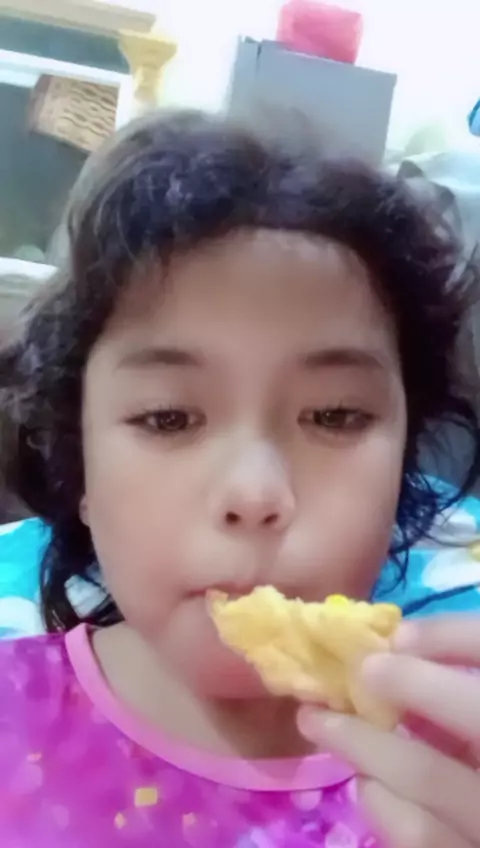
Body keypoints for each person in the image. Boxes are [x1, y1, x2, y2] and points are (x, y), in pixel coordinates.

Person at [0, 109, 479, 847]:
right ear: (80, 466)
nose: (255, 495)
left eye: (335, 416)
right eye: (168, 418)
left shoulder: (456, 757)